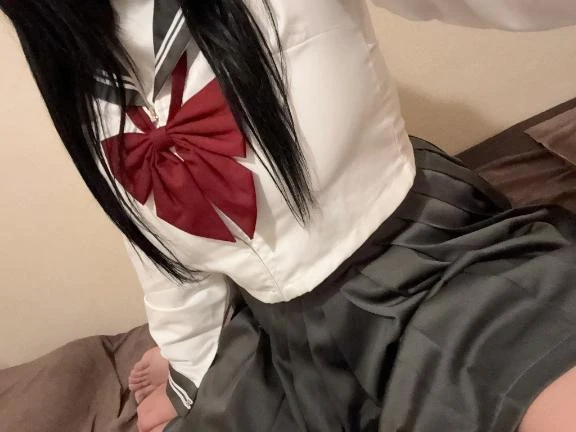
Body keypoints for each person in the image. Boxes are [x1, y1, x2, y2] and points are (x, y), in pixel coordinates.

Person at [3, 1, 576, 431]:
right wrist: (187, 365)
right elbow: (156, 248)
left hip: (421, 264)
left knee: (529, 382)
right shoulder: (75, 76)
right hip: (280, 328)